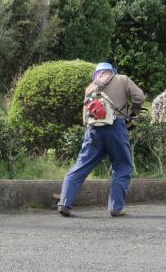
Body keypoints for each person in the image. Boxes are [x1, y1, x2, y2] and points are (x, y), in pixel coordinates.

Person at [58, 62, 145, 217]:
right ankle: (115, 208)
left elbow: (85, 119)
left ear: (97, 74)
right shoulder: (122, 79)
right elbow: (139, 97)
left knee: (81, 166)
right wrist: (132, 112)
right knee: (122, 167)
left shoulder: (90, 87)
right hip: (116, 128)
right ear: (112, 72)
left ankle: (64, 203)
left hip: (93, 130)